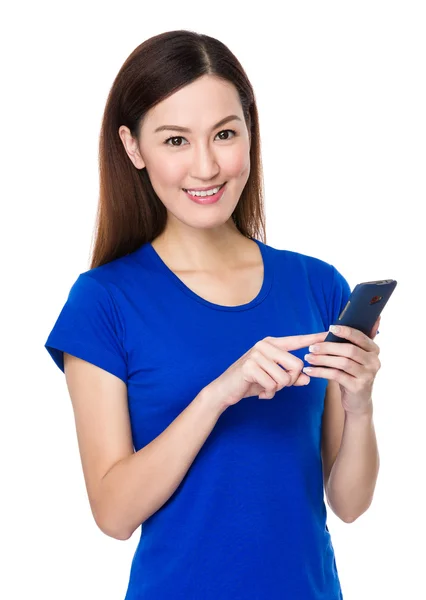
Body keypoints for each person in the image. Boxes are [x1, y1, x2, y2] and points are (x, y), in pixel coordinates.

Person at [44, 30, 381, 600]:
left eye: (225, 134)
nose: (206, 166)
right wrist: (218, 393)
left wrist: (360, 401)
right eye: (175, 140)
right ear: (132, 148)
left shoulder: (317, 285)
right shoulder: (103, 302)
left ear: (250, 132)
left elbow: (349, 504)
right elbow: (113, 513)